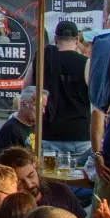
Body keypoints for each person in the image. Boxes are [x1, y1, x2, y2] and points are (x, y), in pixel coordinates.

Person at [40, 21, 91, 160]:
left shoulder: (42, 59)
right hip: (79, 134)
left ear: (56, 38)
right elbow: (96, 98)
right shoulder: (85, 63)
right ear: (77, 39)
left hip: (48, 132)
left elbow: (27, 88)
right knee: (79, 174)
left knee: (48, 173)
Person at [0, 86, 44, 159]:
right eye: (37, 106)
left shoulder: (35, 126)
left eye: (43, 106)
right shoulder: (10, 130)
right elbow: (7, 162)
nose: (42, 111)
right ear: (23, 104)